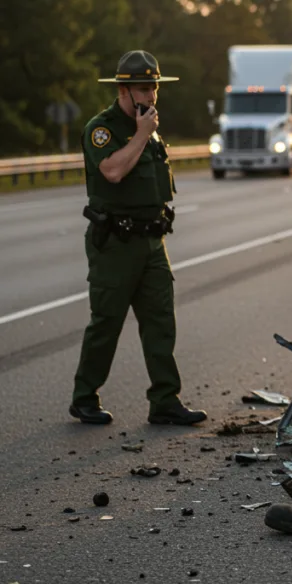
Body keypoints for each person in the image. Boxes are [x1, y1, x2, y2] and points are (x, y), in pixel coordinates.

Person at [69, 50, 207, 426]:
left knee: (161, 322)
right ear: (123, 90)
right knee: (107, 323)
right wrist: (143, 135)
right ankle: (84, 397)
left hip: (152, 241)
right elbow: (112, 171)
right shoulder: (103, 128)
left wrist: (147, 133)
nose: (151, 95)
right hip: (115, 243)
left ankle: (165, 400)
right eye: (143, 88)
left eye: (154, 87)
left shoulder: (150, 129)